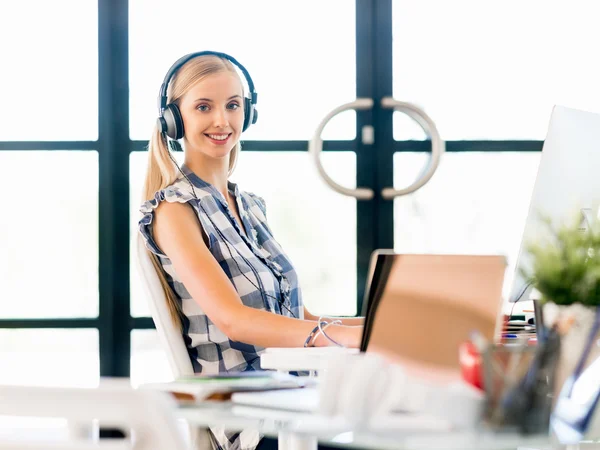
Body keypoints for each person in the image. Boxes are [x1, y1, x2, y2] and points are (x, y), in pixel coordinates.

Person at [138, 51, 364, 450]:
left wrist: (374, 327)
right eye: (203, 107)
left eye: (233, 105)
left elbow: (295, 315)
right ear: (174, 119)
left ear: (249, 112)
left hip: (298, 408)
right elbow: (235, 321)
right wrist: (342, 337)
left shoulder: (250, 205)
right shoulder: (174, 210)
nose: (222, 121)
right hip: (253, 422)